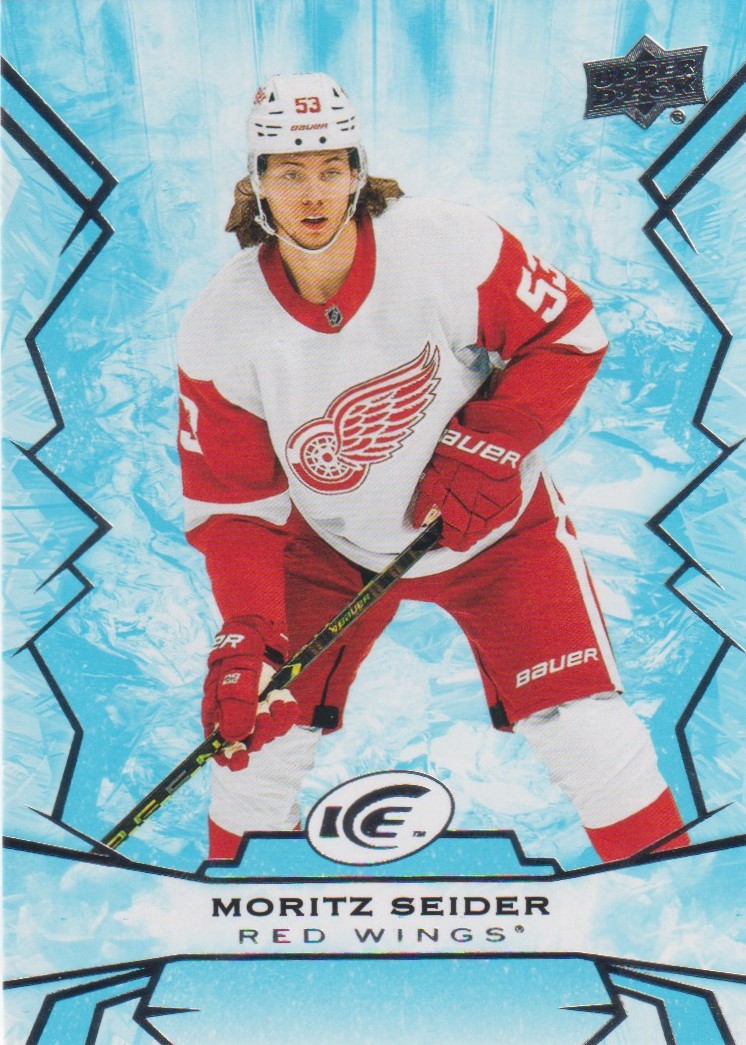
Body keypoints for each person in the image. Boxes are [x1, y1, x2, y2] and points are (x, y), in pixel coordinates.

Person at [177, 72, 689, 863]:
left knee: (588, 729)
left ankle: (661, 884)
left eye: (331, 168)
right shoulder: (220, 324)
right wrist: (249, 631)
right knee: (257, 739)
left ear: (358, 171)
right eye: (289, 171)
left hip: (499, 532)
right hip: (329, 548)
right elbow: (234, 506)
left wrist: (490, 443)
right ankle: (230, 900)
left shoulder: (448, 243)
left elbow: (569, 334)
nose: (312, 192)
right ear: (257, 182)